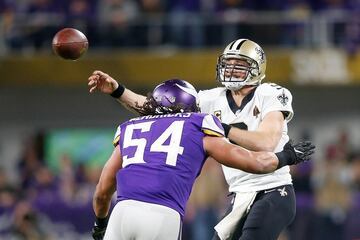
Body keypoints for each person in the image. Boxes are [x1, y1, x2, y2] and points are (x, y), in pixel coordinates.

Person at [88, 38, 301, 240]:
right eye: (229, 63)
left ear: (257, 68)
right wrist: (118, 91)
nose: (232, 69)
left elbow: (265, 143)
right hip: (239, 193)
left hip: (273, 188)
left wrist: (217, 126)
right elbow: (162, 108)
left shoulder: (270, 92)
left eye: (240, 64)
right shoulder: (211, 98)